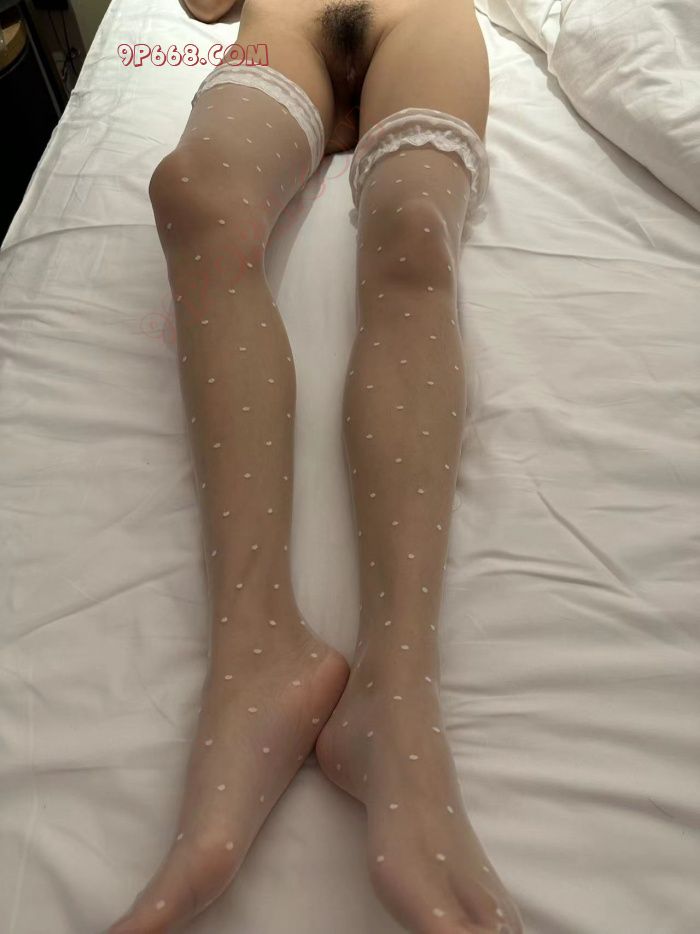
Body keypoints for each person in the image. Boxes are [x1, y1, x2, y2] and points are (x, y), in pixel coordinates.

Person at [110, 0, 522, 931]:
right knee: (193, 194)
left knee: (414, 232)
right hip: (284, 18)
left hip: (421, 15)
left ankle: (395, 695)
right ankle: (256, 651)